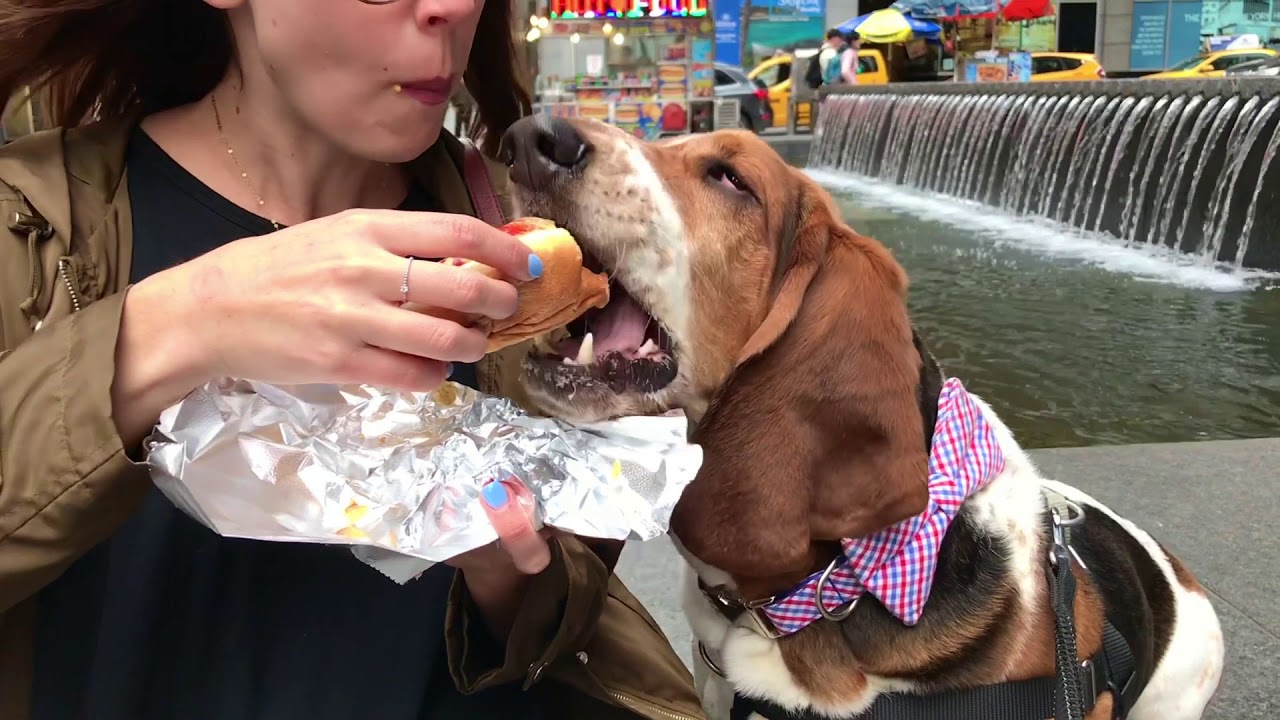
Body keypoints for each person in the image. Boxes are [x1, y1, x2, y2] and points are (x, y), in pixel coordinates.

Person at [0, 1, 704, 720]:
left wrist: (510, 582)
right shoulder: (31, 229)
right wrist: (172, 326)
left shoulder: (527, 239)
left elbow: (566, 628)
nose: (453, 7)